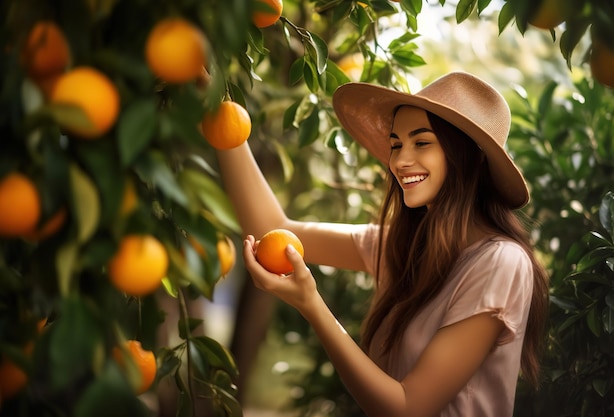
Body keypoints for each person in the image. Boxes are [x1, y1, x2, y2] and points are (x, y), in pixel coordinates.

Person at [216, 71, 550, 417]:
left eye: (421, 143)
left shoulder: (500, 263)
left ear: (471, 156)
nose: (401, 161)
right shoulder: (402, 246)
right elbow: (274, 229)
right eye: (396, 144)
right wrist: (220, 115)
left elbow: (408, 407)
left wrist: (310, 304)